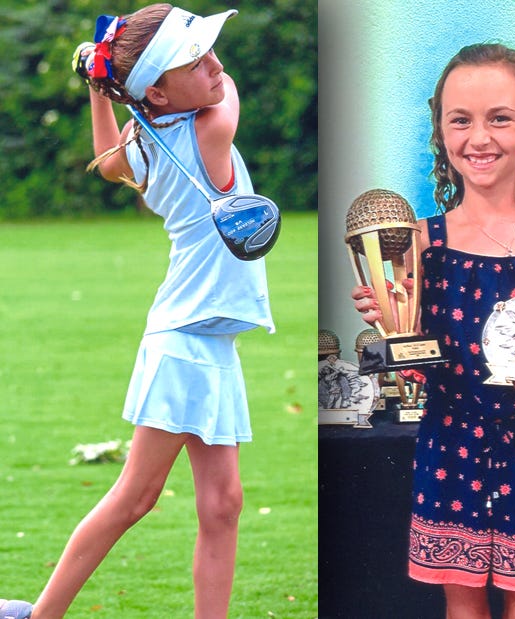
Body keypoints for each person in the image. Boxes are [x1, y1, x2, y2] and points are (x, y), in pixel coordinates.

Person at [0, 5, 274, 618]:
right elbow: (226, 93)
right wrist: (122, 82)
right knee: (135, 498)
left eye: (210, 53)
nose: (216, 65)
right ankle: (38, 617)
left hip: (208, 338)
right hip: (185, 340)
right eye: (196, 60)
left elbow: (105, 162)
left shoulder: (146, 141)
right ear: (156, 89)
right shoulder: (208, 132)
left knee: (224, 502)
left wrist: (108, 92)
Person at [351, 43, 515, 619]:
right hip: (448, 445)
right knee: (462, 607)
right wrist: (389, 327)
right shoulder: (419, 241)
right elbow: (413, 369)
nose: (478, 138)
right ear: (442, 131)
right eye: (460, 120)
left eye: (500, 118)